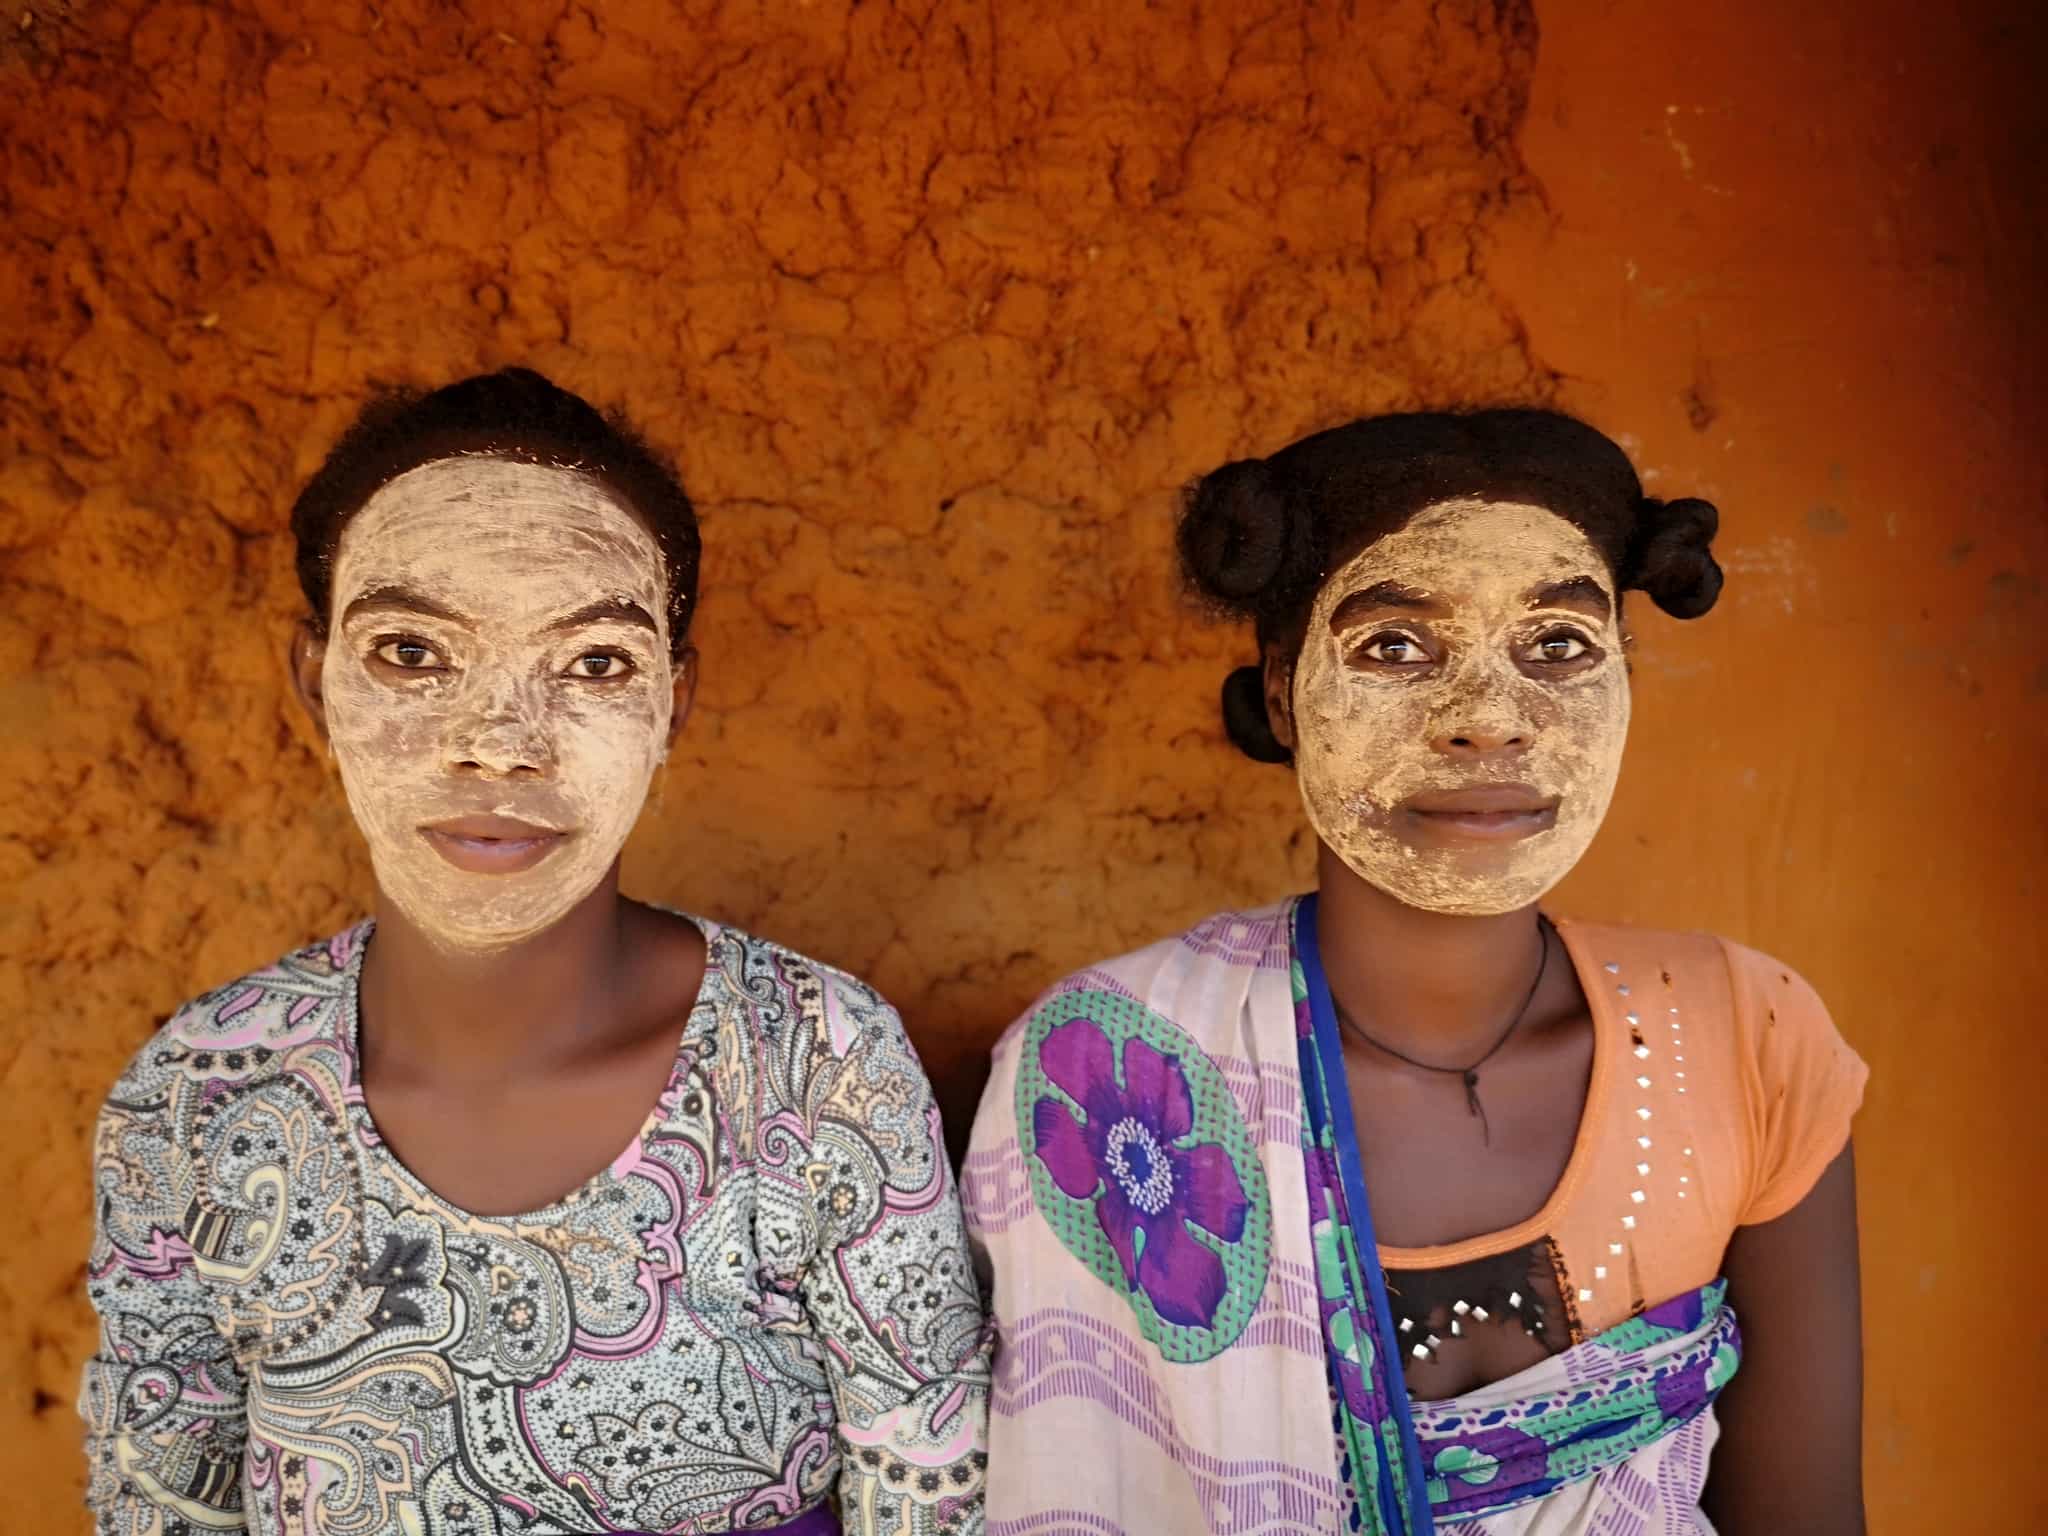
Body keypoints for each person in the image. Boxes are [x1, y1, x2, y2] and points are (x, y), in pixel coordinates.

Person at [79, 370, 989, 1536]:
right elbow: (157, 1503)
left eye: (594, 662)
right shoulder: (193, 1100)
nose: (500, 744)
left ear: (672, 703)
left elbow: (929, 1500)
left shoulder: (816, 1065)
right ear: (314, 681)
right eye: (411, 651)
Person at [963, 410, 1865, 1534]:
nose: (1488, 722)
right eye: (1394, 647)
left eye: (1557, 645)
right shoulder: (1105, 1071)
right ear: (1283, 691)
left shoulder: (1745, 1037)